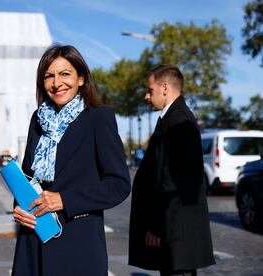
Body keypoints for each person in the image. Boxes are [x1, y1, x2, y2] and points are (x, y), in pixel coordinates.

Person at [12, 44, 131, 276]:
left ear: (81, 79)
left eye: (65, 74)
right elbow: (28, 176)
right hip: (33, 240)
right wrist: (18, 206)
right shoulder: (37, 119)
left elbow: (119, 185)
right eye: (49, 76)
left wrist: (65, 200)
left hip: (78, 245)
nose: (57, 83)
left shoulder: (98, 118)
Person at [128, 65, 215, 275]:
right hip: (173, 235)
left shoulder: (179, 122)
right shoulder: (172, 119)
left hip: (175, 237)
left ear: (165, 87)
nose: (147, 96)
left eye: (150, 90)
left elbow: (178, 182)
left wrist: (158, 227)